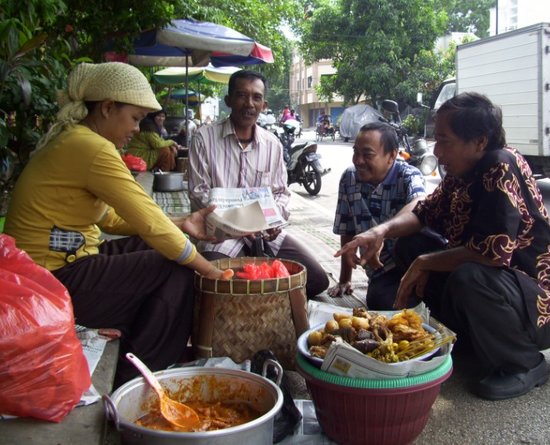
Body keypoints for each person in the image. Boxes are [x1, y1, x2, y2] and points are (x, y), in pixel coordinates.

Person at [4, 62, 231, 389]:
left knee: (160, 250)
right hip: (47, 285)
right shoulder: (91, 148)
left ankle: (139, 344)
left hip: (52, 271)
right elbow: (150, 222)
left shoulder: (77, 140)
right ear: (108, 108)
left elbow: (109, 218)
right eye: (135, 118)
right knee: (178, 268)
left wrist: (180, 221)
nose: (138, 129)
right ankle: (138, 378)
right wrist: (208, 271)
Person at [336, 92, 550, 400]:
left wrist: (424, 263)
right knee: (410, 242)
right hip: (501, 291)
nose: (437, 150)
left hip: (540, 310)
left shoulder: (500, 165)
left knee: (469, 276)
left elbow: (490, 254)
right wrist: (381, 231)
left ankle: (523, 363)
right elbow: (423, 213)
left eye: (445, 140)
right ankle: (470, 338)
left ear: (478, 141)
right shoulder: (461, 174)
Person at [188, 70, 329, 299]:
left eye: (256, 97)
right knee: (211, 286)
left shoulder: (272, 144)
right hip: (221, 235)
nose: (249, 104)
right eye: (242, 95)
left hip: (265, 233)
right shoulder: (204, 138)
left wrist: (274, 219)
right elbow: (198, 194)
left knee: (316, 280)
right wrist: (241, 223)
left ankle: (264, 299)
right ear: (229, 101)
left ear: (264, 104)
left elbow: (281, 193)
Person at [329, 122, 428, 309]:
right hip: (381, 271)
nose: (358, 160)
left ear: (391, 156)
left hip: (412, 263)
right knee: (380, 302)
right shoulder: (349, 178)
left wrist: (381, 231)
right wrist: (344, 279)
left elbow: (418, 204)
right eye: (355, 152)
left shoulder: (408, 176)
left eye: (367, 154)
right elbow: (347, 228)